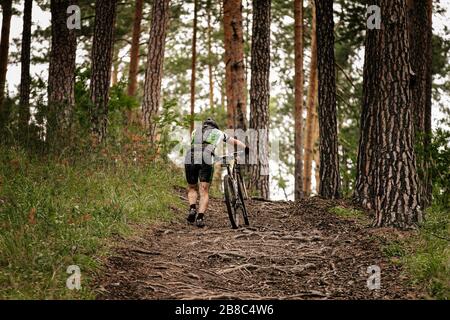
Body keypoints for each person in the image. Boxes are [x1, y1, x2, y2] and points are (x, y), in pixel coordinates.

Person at [184, 118, 248, 228]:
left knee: (192, 187)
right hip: (207, 155)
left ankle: (192, 208)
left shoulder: (195, 131)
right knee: (204, 190)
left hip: (191, 155)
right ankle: (200, 218)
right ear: (215, 126)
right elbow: (235, 142)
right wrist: (246, 149)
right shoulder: (218, 132)